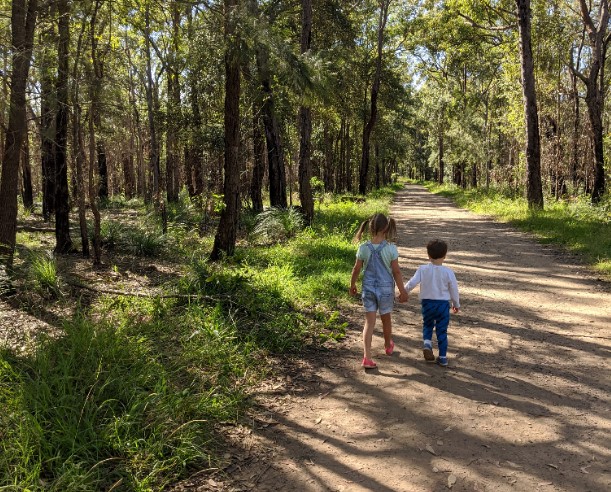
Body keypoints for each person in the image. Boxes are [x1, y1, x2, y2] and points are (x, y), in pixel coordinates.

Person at [350, 213, 409, 369]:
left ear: (371, 228)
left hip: (368, 288)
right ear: (386, 228)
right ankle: (388, 345)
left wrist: (352, 284)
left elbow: (356, 269)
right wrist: (402, 291)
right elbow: (396, 272)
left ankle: (367, 358)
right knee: (386, 319)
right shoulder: (391, 248)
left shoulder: (363, 248)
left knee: (369, 323)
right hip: (385, 290)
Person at [404, 239, 460, 367]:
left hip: (427, 303)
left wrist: (403, 291)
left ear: (428, 255)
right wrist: (456, 304)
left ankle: (427, 343)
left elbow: (412, 282)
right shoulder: (448, 272)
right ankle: (443, 357)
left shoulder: (423, 269)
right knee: (442, 330)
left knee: (428, 325)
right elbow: (454, 290)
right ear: (445, 256)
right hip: (443, 306)